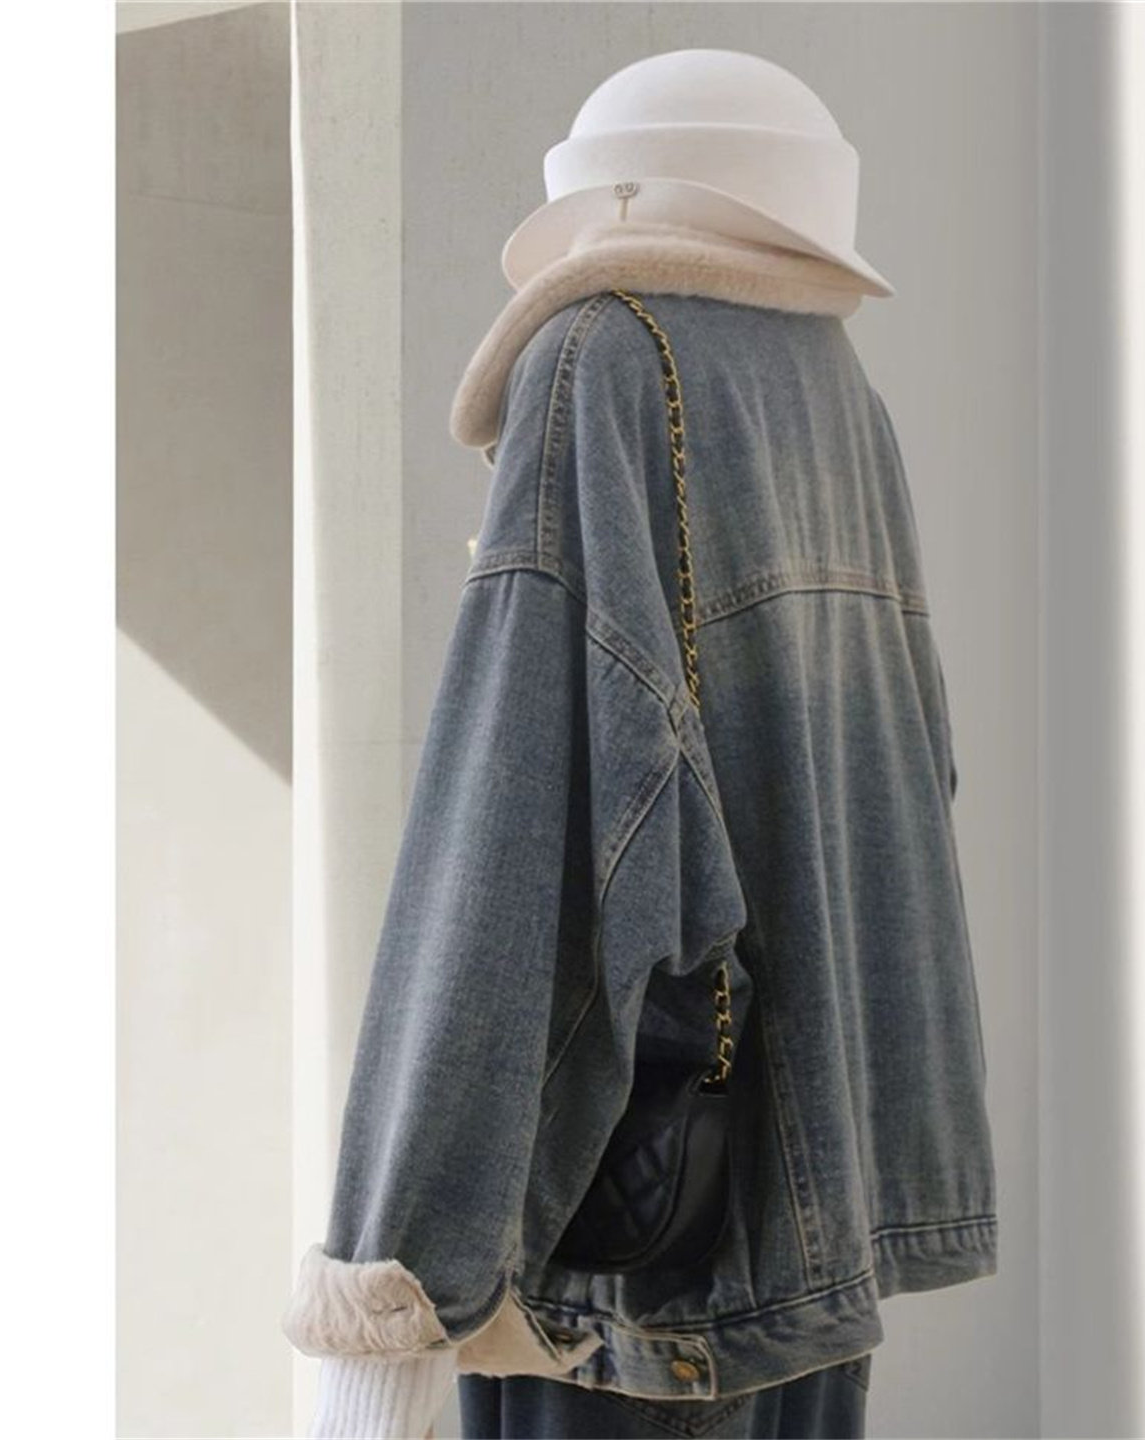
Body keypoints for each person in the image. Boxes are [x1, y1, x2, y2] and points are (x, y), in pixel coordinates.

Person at [282, 48, 997, 1439]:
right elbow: (917, 789)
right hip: (808, 1247)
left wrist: (387, 1308)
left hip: (631, 1299)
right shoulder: (845, 404)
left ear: (599, 196)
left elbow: (511, 856)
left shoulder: (601, 363)